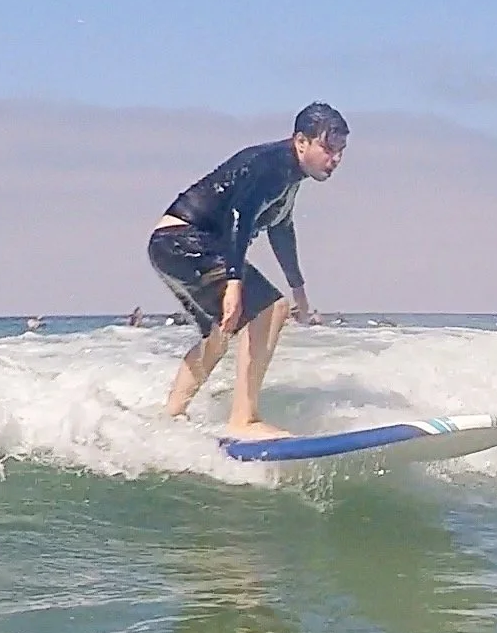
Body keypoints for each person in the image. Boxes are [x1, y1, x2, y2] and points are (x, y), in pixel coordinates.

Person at [148, 102, 348, 439]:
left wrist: (300, 291)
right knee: (272, 308)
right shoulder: (274, 166)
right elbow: (238, 215)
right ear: (301, 141)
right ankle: (244, 420)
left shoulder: (289, 176)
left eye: (341, 151)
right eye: (328, 148)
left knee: (218, 336)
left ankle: (171, 416)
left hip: (168, 245)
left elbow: (281, 229)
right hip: (183, 240)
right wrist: (234, 281)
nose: (336, 159)